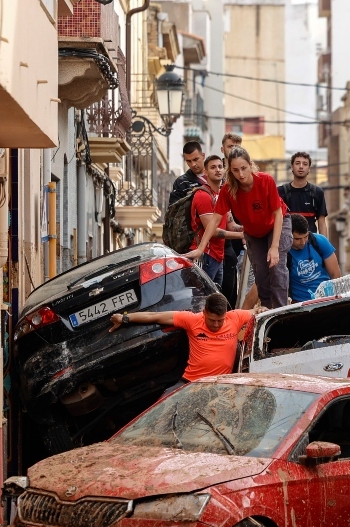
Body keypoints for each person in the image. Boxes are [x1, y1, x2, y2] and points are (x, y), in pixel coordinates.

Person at [108, 293, 262, 382]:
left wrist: (263, 309)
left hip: (219, 385)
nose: (216, 325)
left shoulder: (234, 317)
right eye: (212, 320)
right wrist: (124, 318)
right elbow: (154, 316)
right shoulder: (192, 320)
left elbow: (260, 313)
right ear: (204, 313)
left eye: (219, 321)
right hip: (190, 383)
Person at [215, 146, 293, 310]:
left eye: (244, 168)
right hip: (253, 232)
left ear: (250, 165)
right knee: (261, 273)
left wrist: (274, 247)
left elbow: (278, 214)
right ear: (230, 170)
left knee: (276, 268)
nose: (241, 174)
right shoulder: (228, 190)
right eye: (235, 170)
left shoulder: (265, 180)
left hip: (277, 224)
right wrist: (200, 249)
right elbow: (215, 219)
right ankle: (266, 309)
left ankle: (280, 310)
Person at [185, 155, 243, 285]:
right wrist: (241, 235)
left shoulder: (222, 195)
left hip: (218, 256)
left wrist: (248, 228)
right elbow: (213, 231)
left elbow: (232, 225)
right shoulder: (203, 195)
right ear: (205, 172)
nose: (217, 170)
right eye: (213, 167)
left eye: (220, 167)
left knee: (215, 299)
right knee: (202, 298)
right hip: (205, 254)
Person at [287, 214, 341, 302]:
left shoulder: (320, 241)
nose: (303, 242)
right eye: (298, 239)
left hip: (326, 299)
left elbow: (335, 274)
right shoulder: (283, 253)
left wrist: (335, 299)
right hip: (300, 303)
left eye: (306, 237)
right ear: (288, 236)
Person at [220, 132, 244, 306]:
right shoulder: (216, 171)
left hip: (240, 239)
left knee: (238, 287)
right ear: (223, 149)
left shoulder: (245, 173)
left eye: (237, 146)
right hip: (219, 239)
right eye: (230, 146)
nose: (234, 150)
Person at [278, 151, 328, 234]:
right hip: (287, 243)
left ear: (309, 169)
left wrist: (324, 245)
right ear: (292, 167)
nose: (301, 167)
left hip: (310, 242)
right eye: (297, 163)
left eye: (305, 164)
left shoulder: (317, 192)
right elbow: (275, 220)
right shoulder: (280, 191)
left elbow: (322, 223)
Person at [170, 141, 208, 208]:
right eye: (189, 161)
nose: (193, 164)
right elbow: (173, 211)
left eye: (195, 159)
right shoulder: (180, 183)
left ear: (203, 156)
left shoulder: (216, 175)